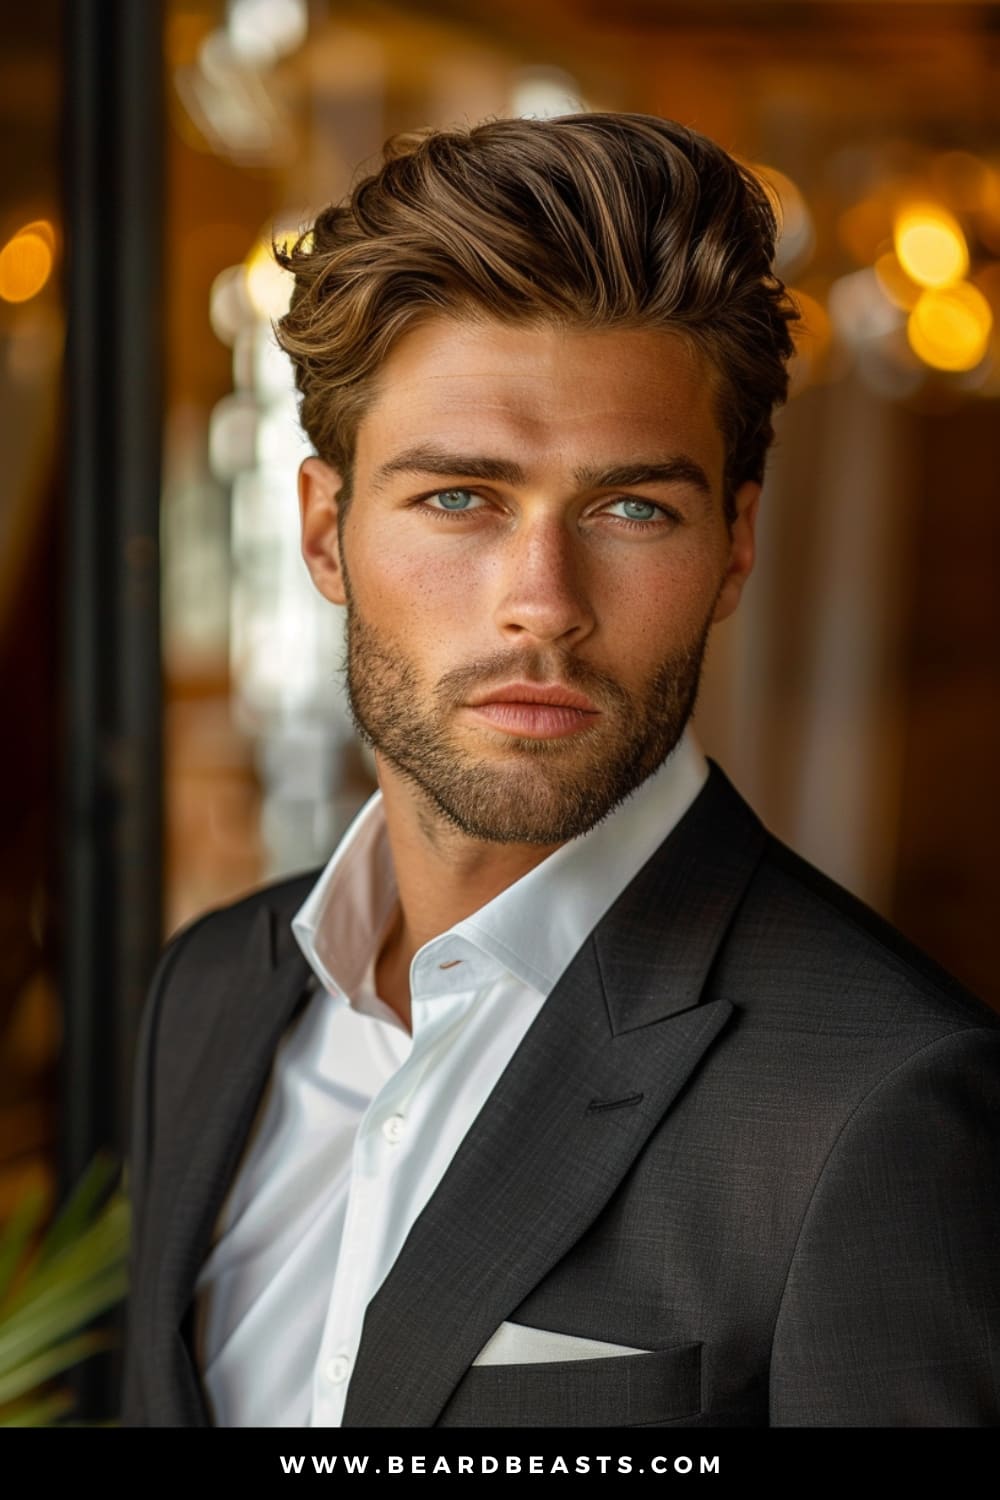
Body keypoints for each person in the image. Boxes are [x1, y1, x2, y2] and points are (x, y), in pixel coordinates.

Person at [122, 112, 1000, 1429]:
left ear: (735, 547)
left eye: (631, 508)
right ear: (322, 531)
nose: (543, 603)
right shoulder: (209, 993)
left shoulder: (878, 1105)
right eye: (461, 499)